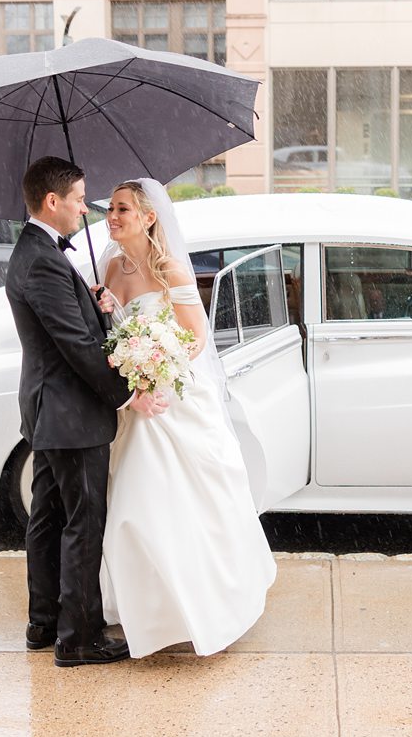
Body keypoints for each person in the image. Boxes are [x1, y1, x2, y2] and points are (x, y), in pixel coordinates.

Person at [95, 178, 277, 658]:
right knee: (134, 506)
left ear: (149, 217)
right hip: (133, 404)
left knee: (174, 502)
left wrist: (159, 370)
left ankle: (203, 607)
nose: (112, 217)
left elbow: (196, 339)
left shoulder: (171, 268)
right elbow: (110, 333)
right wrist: (109, 317)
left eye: (123, 209)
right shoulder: (110, 267)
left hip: (173, 397)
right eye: (110, 209)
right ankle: (150, 614)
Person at [6, 156, 165, 669]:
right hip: (71, 413)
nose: (83, 208)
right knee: (83, 522)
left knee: (49, 519)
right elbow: (74, 344)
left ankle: (45, 622)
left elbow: (69, 326)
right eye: (78, 198)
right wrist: (126, 394)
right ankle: (79, 639)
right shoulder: (42, 259)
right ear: (52, 202)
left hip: (49, 409)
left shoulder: (36, 252)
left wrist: (92, 305)